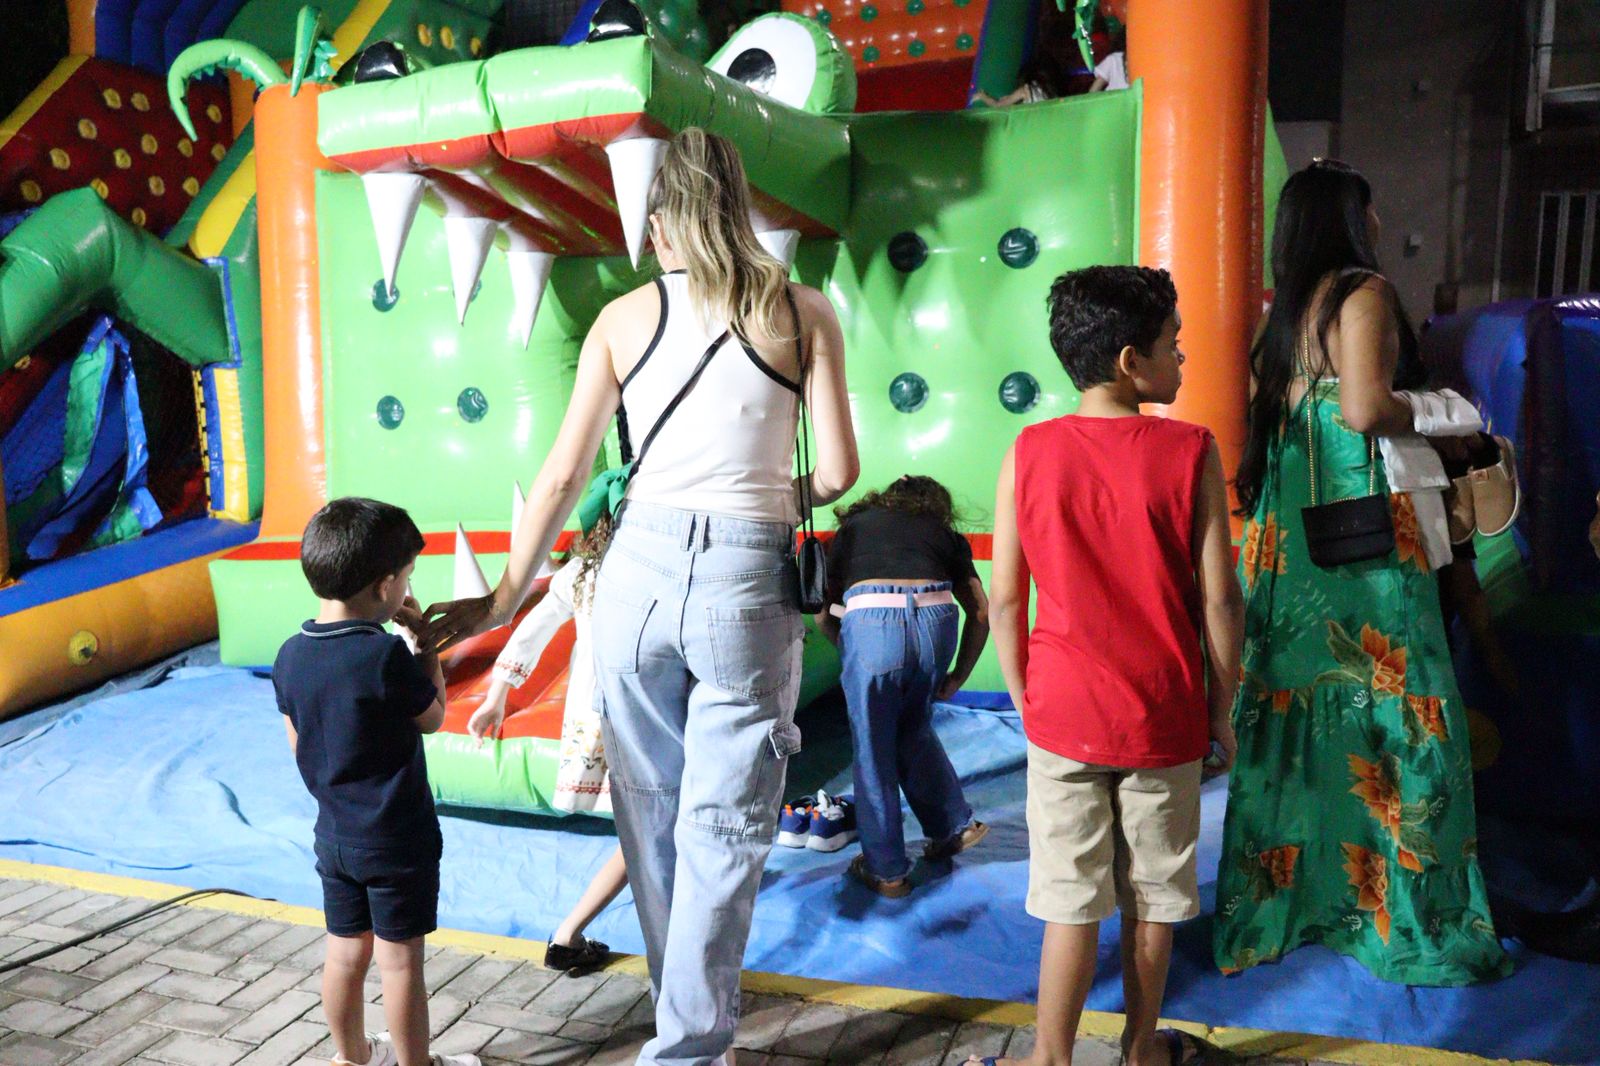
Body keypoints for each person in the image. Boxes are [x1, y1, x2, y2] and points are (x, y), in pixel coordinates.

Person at [421, 128, 859, 1066]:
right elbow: (840, 472)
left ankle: (686, 1025)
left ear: (662, 225)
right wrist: (770, 488)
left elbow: (562, 473)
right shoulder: (804, 310)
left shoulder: (622, 320)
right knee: (727, 823)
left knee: (650, 812)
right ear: (740, 217)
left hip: (639, 575)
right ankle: (692, 1044)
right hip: (748, 576)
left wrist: (502, 599)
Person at [1216, 159, 1510, 986]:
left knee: (1301, 716)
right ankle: (1404, 914)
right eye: (1371, 210)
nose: (1379, 225)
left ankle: (1293, 901)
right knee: (1401, 713)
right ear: (1350, 217)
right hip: (1367, 548)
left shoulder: (1280, 323)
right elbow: (1363, 409)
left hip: (1290, 550)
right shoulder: (1363, 292)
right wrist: (1443, 410)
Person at [981, 266, 1241, 1066]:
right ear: (1133, 361)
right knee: (1153, 901)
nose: (1185, 361)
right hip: (1162, 718)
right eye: (1175, 345)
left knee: (1069, 903)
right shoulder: (1190, 449)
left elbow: (1002, 599)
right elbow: (1220, 602)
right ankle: (1137, 1051)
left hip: (1063, 713)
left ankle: (1048, 1057)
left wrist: (1026, 696)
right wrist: (1221, 710)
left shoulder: (1028, 450)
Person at [273, 497, 477, 1066]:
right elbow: (433, 717)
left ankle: (351, 1059)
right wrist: (424, 646)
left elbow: (299, 744)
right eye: (407, 578)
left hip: (335, 836)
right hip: (397, 838)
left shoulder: (290, 655)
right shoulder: (385, 655)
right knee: (400, 962)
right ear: (386, 588)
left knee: (343, 955)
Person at [816, 475, 991, 897]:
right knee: (912, 727)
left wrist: (855, 654)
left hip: (872, 621)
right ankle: (953, 827)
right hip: (937, 620)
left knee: (873, 747)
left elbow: (823, 613)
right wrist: (958, 676)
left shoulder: (852, 530)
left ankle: (887, 871)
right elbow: (981, 612)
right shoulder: (944, 535)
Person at [466, 541, 625, 975]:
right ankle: (568, 934)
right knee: (650, 831)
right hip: (636, 710)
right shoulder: (650, 554)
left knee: (649, 830)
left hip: (595, 712)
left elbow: (533, 627)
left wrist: (498, 694)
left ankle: (569, 936)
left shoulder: (581, 570)